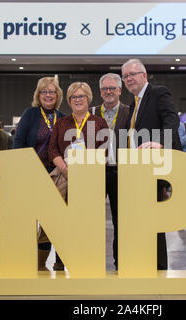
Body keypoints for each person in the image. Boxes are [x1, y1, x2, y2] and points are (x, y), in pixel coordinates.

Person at [121, 58, 181, 270]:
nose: (129, 79)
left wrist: (160, 142)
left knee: (153, 223)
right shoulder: (133, 104)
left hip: (153, 169)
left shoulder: (158, 93)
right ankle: (145, 264)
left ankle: (159, 267)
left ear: (144, 75)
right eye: (125, 76)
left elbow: (171, 119)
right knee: (142, 221)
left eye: (133, 74)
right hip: (137, 171)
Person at [48, 82, 109, 272]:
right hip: (66, 177)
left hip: (91, 180)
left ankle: (87, 257)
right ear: (69, 100)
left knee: (88, 221)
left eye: (81, 96)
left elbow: (105, 151)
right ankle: (60, 258)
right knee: (64, 220)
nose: (78, 100)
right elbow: (52, 149)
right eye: (74, 97)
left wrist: (87, 172)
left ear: (88, 98)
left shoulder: (99, 123)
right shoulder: (62, 123)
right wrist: (65, 169)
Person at [13, 76, 66, 272]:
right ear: (38, 95)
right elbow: (18, 142)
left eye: (52, 91)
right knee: (28, 220)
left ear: (58, 95)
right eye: (44, 92)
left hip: (55, 175)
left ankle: (43, 261)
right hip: (31, 174)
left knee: (51, 220)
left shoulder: (63, 117)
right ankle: (25, 260)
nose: (48, 95)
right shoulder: (30, 114)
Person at [90, 73, 130, 270]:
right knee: (91, 219)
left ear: (120, 90)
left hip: (121, 173)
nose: (108, 92)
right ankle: (91, 260)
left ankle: (120, 261)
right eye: (105, 89)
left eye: (112, 88)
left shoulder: (130, 113)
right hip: (94, 174)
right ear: (100, 92)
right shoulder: (90, 113)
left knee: (120, 221)